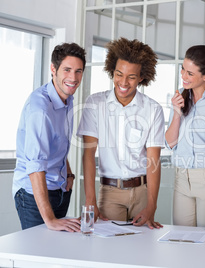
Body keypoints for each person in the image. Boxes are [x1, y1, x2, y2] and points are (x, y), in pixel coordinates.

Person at [77, 37, 164, 229]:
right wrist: (90, 199)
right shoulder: (95, 104)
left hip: (142, 192)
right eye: (118, 74)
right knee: (108, 251)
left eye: (131, 77)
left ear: (141, 77)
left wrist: (151, 205)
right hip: (109, 194)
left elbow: (153, 161)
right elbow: (89, 154)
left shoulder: (152, 109)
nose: (123, 82)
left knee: (142, 251)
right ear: (112, 72)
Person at [13, 43, 86, 231]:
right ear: (53, 69)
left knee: (55, 253)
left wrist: (68, 174)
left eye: (78, 71)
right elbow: (35, 165)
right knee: (37, 255)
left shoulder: (66, 98)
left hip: (59, 188)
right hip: (33, 194)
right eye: (67, 70)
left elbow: (57, 143)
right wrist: (50, 220)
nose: (73, 77)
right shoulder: (41, 109)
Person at [165, 45, 205, 227]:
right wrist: (177, 112)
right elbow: (170, 143)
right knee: (181, 238)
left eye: (190, 73)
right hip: (181, 178)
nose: (184, 76)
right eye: (183, 70)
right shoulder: (180, 95)